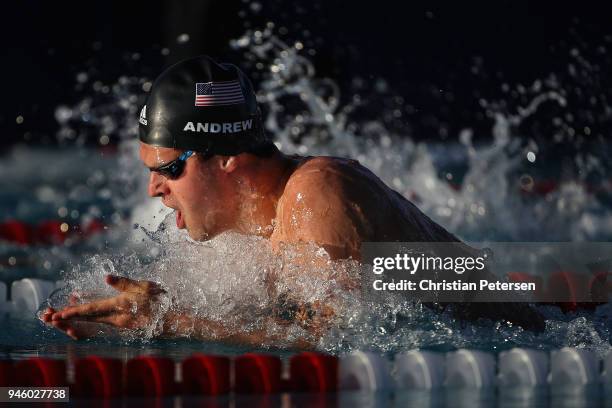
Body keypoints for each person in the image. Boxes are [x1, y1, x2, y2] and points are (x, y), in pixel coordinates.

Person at [41, 56, 544, 345]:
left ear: (227, 157)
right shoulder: (242, 225)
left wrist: (172, 322)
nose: (154, 189)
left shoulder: (317, 194)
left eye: (169, 168)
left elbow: (336, 343)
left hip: (536, 339)